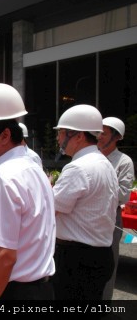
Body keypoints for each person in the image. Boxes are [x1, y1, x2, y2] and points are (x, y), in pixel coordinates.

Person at [0, 83, 55, 300]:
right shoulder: (33, 167)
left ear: (4, 135)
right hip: (40, 290)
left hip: (14, 293)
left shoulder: (4, 177)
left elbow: (4, 257)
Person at [52, 104, 118, 301]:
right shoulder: (104, 163)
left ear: (78, 136)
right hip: (99, 256)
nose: (58, 138)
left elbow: (50, 210)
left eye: (62, 133)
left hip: (76, 260)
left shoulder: (78, 168)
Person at [97, 117, 135, 300]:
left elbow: (124, 195)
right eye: (98, 132)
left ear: (117, 137)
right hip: (89, 214)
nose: (99, 137)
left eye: (104, 133)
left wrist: (99, 184)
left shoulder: (124, 161)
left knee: (108, 261)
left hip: (112, 216)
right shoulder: (91, 156)